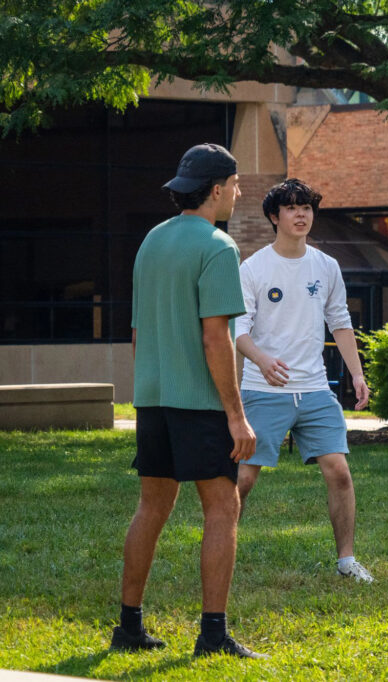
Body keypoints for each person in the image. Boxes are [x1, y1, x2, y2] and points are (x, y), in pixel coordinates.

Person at [113, 143, 265, 658]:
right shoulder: (219, 246)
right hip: (199, 402)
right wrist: (236, 416)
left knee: (151, 507)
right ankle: (213, 634)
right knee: (224, 506)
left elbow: (137, 332)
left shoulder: (151, 242)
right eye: (237, 184)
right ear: (217, 189)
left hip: (152, 398)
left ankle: (128, 627)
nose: (240, 192)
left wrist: (150, 389)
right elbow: (215, 338)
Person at [234, 178, 373, 582]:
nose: (301, 214)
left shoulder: (326, 266)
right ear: (274, 217)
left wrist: (357, 373)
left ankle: (346, 561)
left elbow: (341, 322)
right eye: (292, 208)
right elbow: (238, 329)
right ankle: (221, 544)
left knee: (339, 471)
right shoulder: (253, 268)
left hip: (314, 389)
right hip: (264, 390)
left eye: (307, 207)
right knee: (243, 477)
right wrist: (261, 361)